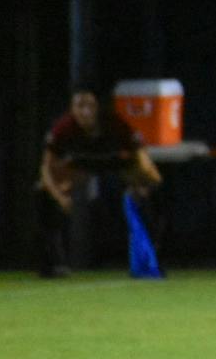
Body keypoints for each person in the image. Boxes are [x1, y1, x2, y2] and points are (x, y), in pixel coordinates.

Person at [35, 87, 163, 278]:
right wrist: (59, 196)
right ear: (72, 109)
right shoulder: (63, 129)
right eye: (80, 106)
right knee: (42, 191)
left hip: (115, 162)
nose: (85, 112)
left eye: (90, 106)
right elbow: (46, 167)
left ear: (97, 108)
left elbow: (140, 155)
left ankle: (150, 259)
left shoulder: (114, 123)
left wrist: (147, 180)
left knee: (152, 188)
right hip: (79, 166)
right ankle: (53, 263)